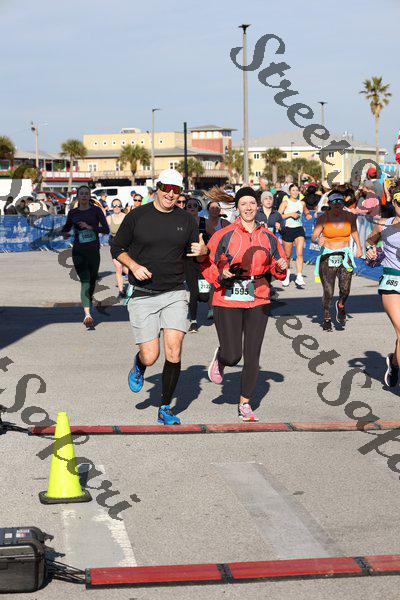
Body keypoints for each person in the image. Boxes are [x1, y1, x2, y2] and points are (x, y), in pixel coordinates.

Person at [110, 169, 208, 425]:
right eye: (167, 188)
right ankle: (140, 364)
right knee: (151, 355)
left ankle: (165, 407)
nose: (171, 194)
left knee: (173, 351)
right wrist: (133, 266)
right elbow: (117, 247)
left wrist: (203, 251)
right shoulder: (137, 216)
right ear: (158, 187)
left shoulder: (187, 220)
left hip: (175, 292)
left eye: (176, 190)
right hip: (143, 295)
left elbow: (197, 255)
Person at [201, 187, 287, 421]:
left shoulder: (268, 237)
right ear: (237, 208)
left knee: (252, 355)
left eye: (251, 203)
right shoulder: (224, 235)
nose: (248, 207)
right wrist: (220, 274)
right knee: (233, 355)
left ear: (257, 206)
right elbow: (206, 264)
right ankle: (222, 358)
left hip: (259, 296)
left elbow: (279, 268)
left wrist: (280, 267)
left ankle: (245, 403)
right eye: (243, 204)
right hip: (227, 296)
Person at [311, 192, 362, 331]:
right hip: (328, 257)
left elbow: (354, 232)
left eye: (340, 201)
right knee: (328, 291)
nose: (338, 204)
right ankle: (327, 317)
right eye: (335, 202)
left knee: (345, 289)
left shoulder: (350, 217)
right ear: (329, 204)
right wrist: (318, 239)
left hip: (345, 256)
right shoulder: (323, 218)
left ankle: (341, 304)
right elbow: (314, 236)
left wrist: (359, 247)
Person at [62, 185, 110, 329]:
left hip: (93, 251)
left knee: (92, 281)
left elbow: (106, 229)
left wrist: (91, 228)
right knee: (85, 281)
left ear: (89, 196)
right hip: (78, 251)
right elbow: (67, 227)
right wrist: (64, 232)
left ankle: (88, 301)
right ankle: (87, 315)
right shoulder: (73, 212)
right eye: (81, 194)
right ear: (77, 196)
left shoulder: (96, 211)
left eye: (86, 194)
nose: (83, 196)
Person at [366, 188, 400, 387]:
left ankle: (394, 363)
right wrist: (371, 250)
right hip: (392, 280)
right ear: (394, 203)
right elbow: (370, 240)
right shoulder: (383, 224)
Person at [184, 196, 211, 332]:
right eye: (189, 206)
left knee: (204, 295)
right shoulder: (182, 223)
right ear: (186, 208)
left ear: (199, 207)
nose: (192, 208)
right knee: (193, 292)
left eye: (195, 205)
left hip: (203, 261)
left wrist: (207, 249)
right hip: (189, 262)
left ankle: (206, 303)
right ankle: (193, 321)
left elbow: (214, 239)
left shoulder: (205, 222)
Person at [279, 183, 313, 287]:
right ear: (289, 192)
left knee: (299, 254)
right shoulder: (285, 203)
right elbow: (278, 216)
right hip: (288, 230)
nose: (295, 192)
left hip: (299, 229)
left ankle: (299, 276)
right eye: (293, 190)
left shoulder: (302, 203)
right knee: (288, 256)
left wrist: (308, 215)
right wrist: (290, 214)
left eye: (297, 190)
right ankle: (287, 274)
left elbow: (306, 212)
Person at [107, 198, 127, 298]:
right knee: (118, 267)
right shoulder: (108, 218)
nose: (116, 207)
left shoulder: (126, 217)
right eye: (114, 205)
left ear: (121, 207)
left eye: (118, 205)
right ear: (112, 207)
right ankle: (121, 291)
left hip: (126, 245)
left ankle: (135, 284)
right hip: (114, 246)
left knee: (126, 268)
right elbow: (101, 228)